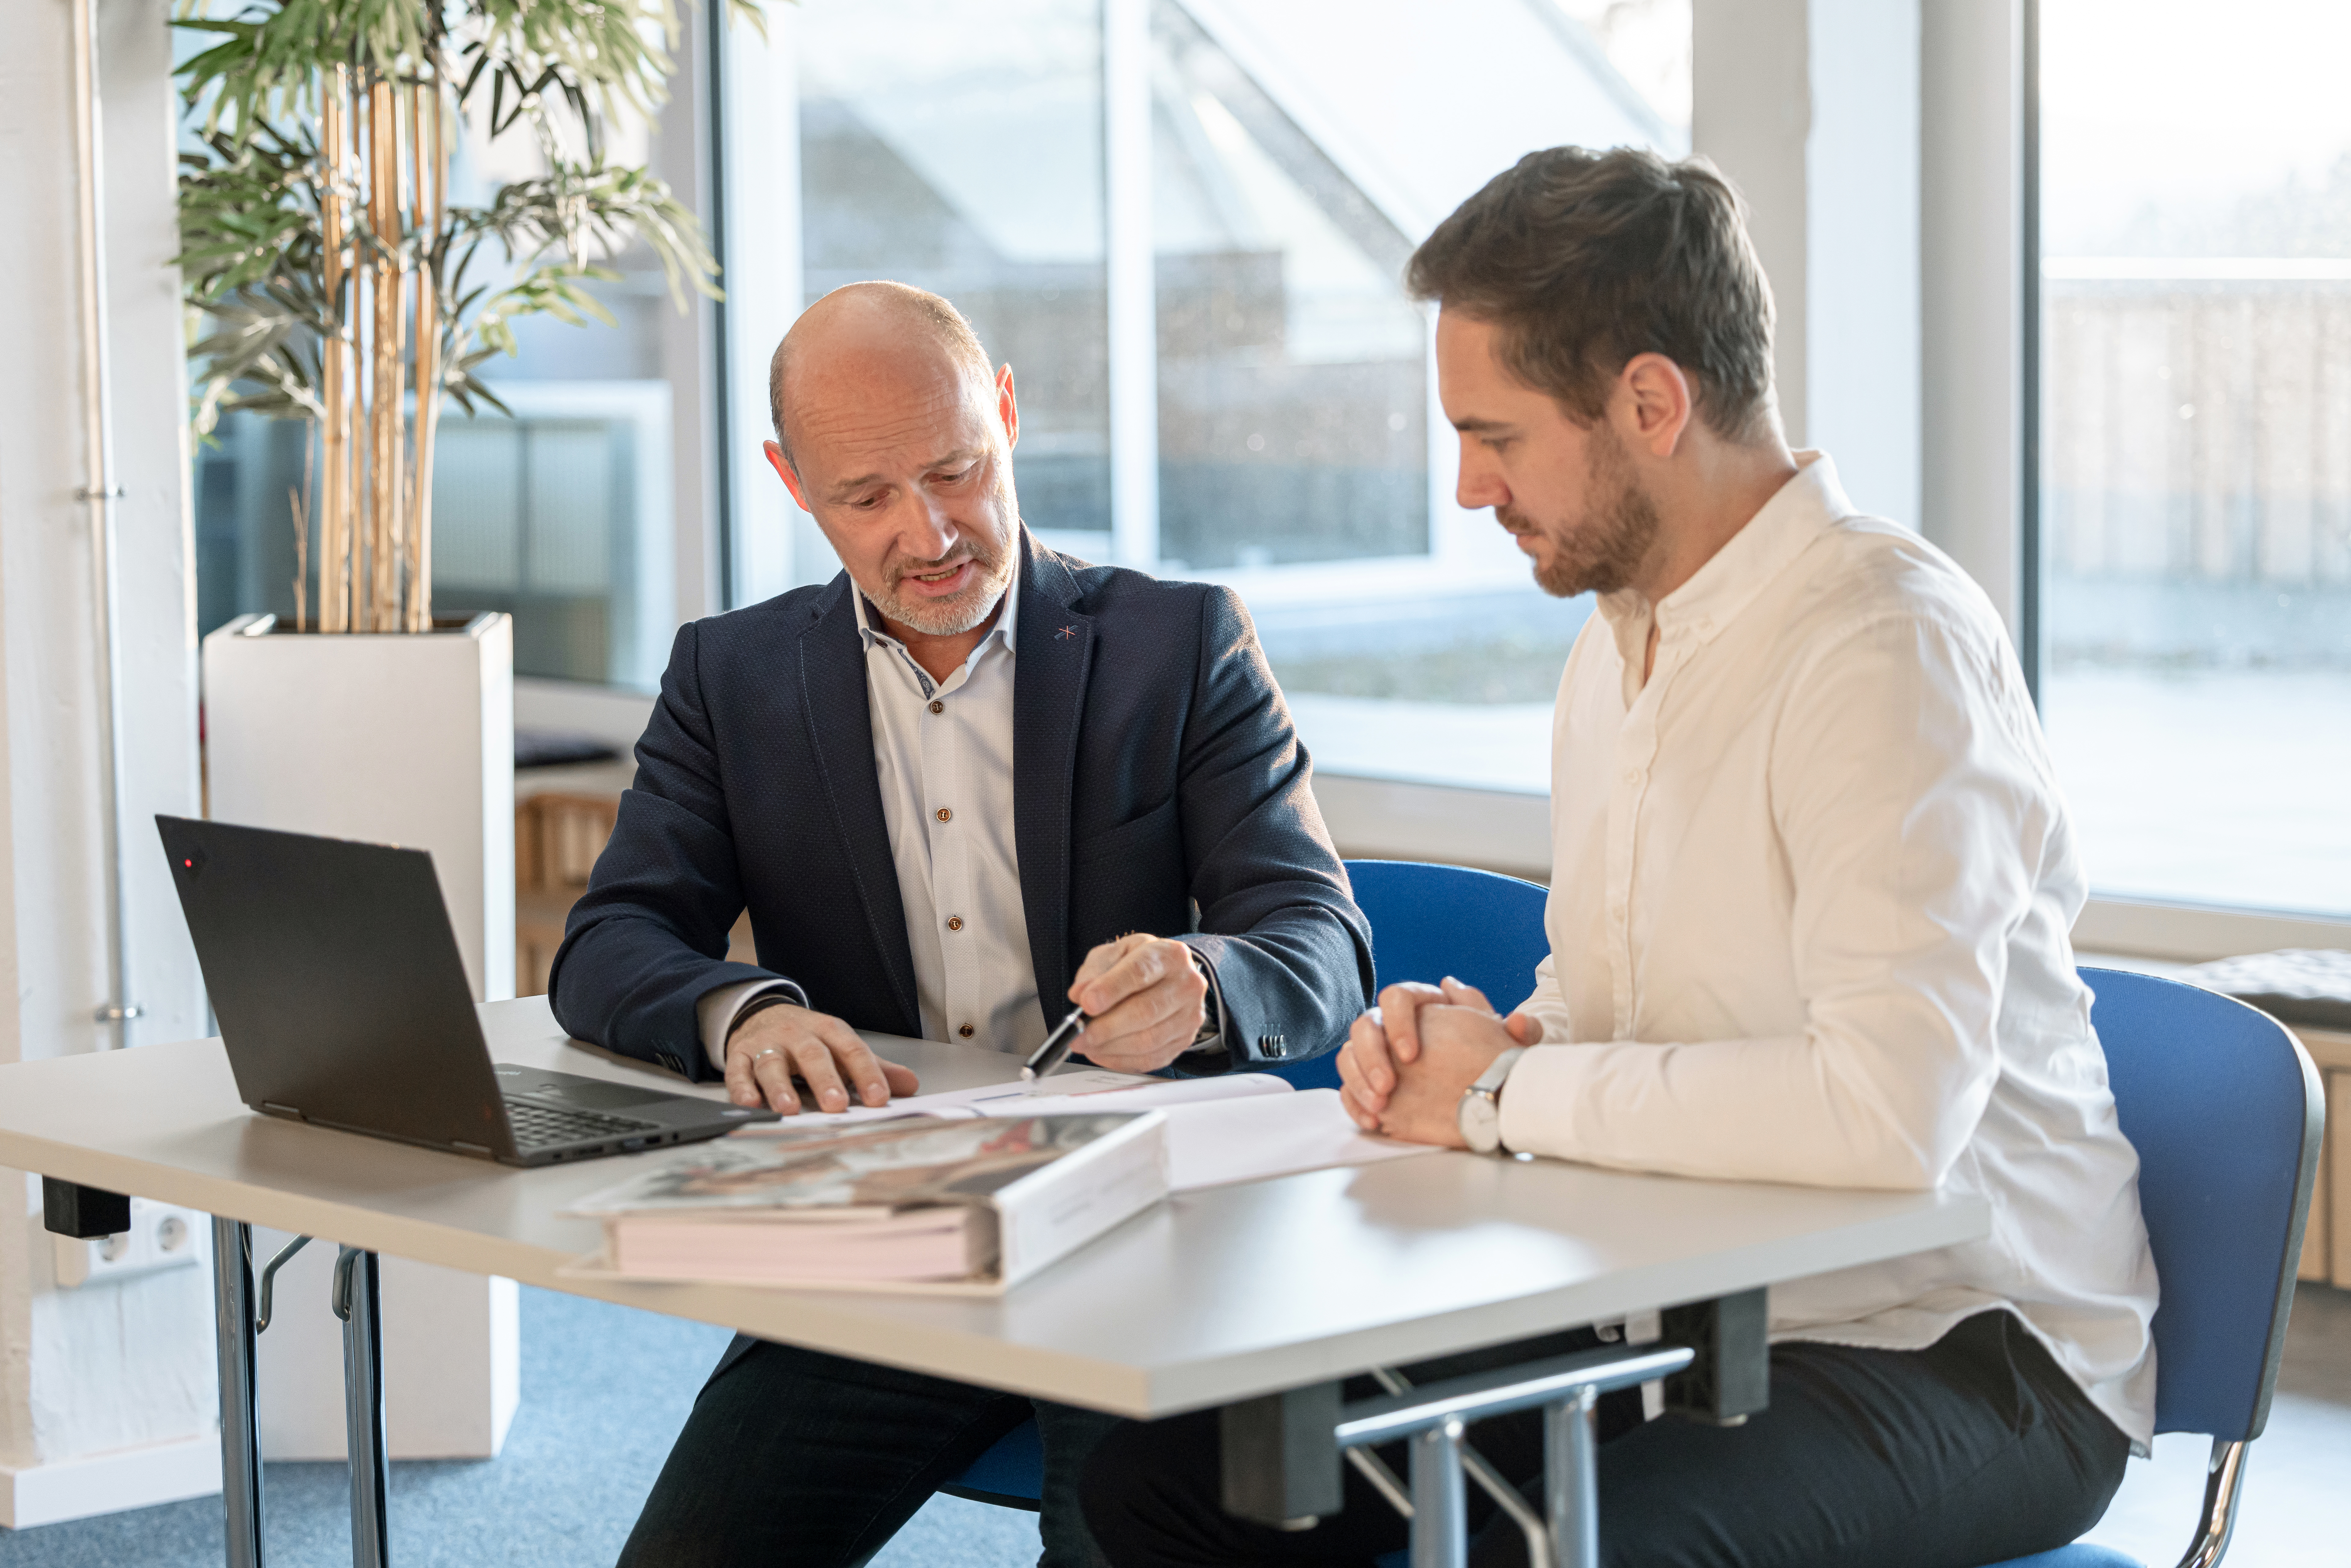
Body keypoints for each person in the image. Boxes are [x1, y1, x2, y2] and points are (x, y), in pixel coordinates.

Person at [1081, 148, 2157, 1568]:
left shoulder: (1884, 646)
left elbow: (1888, 1115)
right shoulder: (1617, 641)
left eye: (1498, 435)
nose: (1468, 487)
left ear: (1651, 402)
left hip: (1955, 1345)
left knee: (1597, 1552)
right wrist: (1490, 1041)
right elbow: (1626, 1004)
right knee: (1175, 1480)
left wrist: (1510, 1089)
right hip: (1684, 1309)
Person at [550, 280, 1374, 1568]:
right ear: (790, 481)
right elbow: (611, 942)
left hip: (1143, 1238)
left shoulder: (1180, 642)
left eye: (955, 471)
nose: (928, 532)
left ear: (1004, 412)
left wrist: (1204, 980)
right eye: (864, 497)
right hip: (895, 1236)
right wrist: (743, 1010)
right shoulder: (733, 676)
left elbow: (1317, 938)